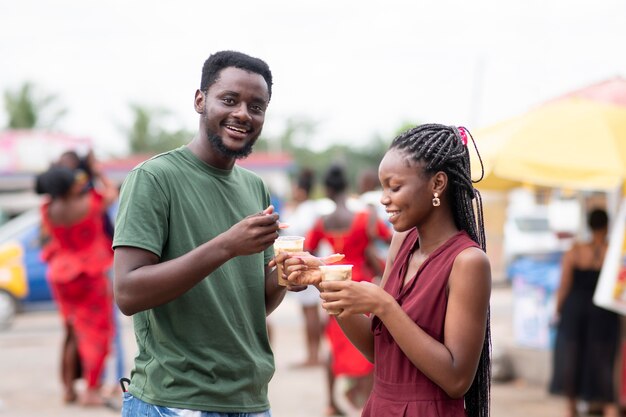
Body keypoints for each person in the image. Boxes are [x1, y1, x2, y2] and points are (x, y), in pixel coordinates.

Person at [113, 50, 293, 416]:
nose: (243, 113)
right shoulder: (154, 178)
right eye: (230, 100)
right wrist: (227, 245)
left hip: (249, 400)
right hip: (175, 401)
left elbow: (254, 305)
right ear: (200, 100)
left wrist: (286, 274)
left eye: (256, 106)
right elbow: (128, 293)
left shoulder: (255, 187)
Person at [285, 124, 492, 417]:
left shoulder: (468, 262)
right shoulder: (402, 242)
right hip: (382, 406)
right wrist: (324, 282)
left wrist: (383, 305)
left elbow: (457, 379)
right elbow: (377, 350)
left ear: (437, 184)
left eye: (394, 187)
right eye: (383, 187)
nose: (383, 199)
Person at [305, 164, 392, 416]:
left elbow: (309, 251)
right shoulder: (365, 218)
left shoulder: (322, 221)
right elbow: (389, 238)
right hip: (361, 285)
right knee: (370, 342)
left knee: (334, 345)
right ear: (346, 186)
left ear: (328, 189)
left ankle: (332, 402)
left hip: (333, 284)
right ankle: (368, 399)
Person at [35, 165, 118, 406]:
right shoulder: (89, 203)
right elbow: (112, 192)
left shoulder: (48, 209)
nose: (80, 182)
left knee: (72, 334)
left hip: (60, 275)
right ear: (69, 186)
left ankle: (69, 389)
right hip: (89, 274)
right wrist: (98, 170)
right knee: (97, 334)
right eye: (75, 180)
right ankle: (91, 391)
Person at [550, 208, 620, 417]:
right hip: (604, 312)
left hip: (575, 309)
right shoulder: (613, 252)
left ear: (589, 224)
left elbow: (564, 285)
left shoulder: (574, 250)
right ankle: (609, 406)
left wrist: (557, 309)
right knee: (604, 358)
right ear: (607, 226)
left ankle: (571, 408)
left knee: (572, 356)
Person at [281, 168, 326, 368]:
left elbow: (311, 239)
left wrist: (302, 259)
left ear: (301, 189)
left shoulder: (308, 210)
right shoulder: (300, 208)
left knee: (310, 312)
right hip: (299, 265)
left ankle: (314, 355)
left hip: (305, 265)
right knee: (308, 312)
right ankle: (313, 353)